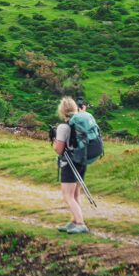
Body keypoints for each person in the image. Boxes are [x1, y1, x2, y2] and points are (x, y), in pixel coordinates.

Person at [53, 96, 92, 234]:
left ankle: (80, 223)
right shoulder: (81, 123)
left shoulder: (63, 127)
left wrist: (54, 142)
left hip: (69, 163)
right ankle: (74, 221)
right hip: (81, 161)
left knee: (67, 196)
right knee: (75, 194)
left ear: (62, 111)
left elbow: (59, 149)